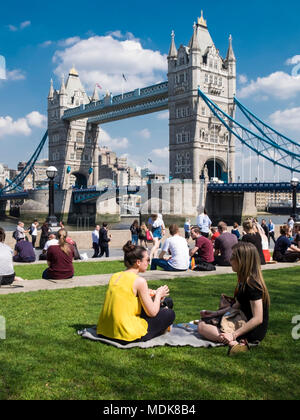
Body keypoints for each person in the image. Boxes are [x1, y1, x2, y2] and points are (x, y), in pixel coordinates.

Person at [198, 242, 270, 355]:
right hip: (242, 320)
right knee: (205, 322)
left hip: (252, 330)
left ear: (242, 261)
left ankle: (234, 342)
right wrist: (214, 313)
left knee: (202, 327)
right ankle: (235, 341)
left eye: (233, 257)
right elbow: (236, 306)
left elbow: (258, 318)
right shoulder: (244, 281)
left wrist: (233, 334)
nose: (230, 260)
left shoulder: (253, 286)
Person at [97, 241, 175, 345]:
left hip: (105, 330)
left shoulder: (115, 276)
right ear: (138, 262)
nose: (148, 262)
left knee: (167, 302)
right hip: (125, 333)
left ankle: (163, 307)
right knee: (169, 313)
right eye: (147, 259)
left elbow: (126, 297)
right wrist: (159, 295)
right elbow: (152, 312)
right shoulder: (139, 281)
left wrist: (150, 294)